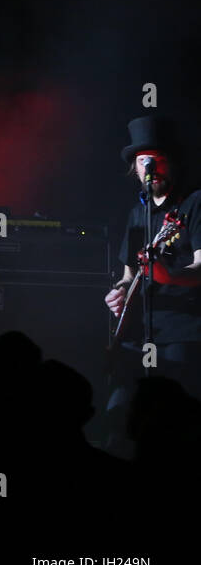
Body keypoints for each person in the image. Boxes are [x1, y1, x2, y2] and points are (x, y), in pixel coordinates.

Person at [103, 117, 201, 447]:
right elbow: (129, 275)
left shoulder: (194, 203)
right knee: (117, 420)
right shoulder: (136, 214)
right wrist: (117, 293)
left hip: (184, 332)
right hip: (138, 333)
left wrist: (172, 275)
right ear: (134, 166)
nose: (151, 166)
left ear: (170, 161)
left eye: (157, 158)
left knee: (177, 427)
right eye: (143, 159)